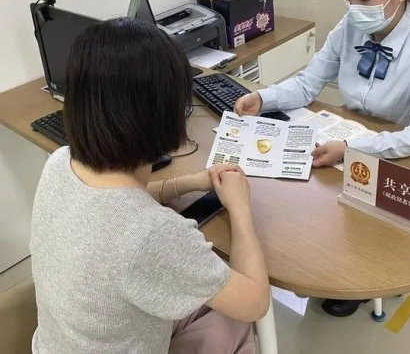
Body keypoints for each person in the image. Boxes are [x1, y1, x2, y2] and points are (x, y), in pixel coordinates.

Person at [235, 0, 410, 317]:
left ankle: (369, 274)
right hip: (343, 144)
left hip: (400, 156)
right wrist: (263, 98)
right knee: (296, 202)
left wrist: (351, 148)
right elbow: (308, 84)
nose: (354, 7)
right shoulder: (350, 25)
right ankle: (331, 266)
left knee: (353, 226)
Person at [30, 18, 269, 353]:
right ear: (164, 115)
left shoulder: (60, 162)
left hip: (58, 344)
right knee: (237, 323)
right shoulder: (153, 235)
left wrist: (189, 183)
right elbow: (256, 302)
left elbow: (121, 204)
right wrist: (240, 208)